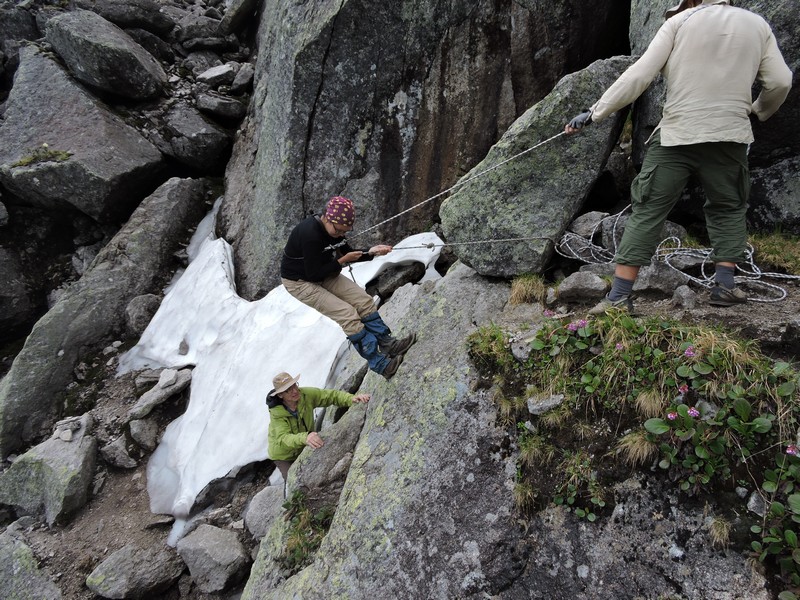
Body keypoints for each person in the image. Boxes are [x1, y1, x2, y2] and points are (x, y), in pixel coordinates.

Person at [565, 0, 792, 313]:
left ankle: (618, 297)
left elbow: (639, 75)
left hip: (677, 136)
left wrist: (594, 113)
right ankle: (724, 286)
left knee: (648, 209)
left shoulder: (680, 22)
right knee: (728, 207)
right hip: (729, 135)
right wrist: (759, 111)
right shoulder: (756, 25)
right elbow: (781, 81)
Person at [280, 195, 416, 378]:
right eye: (339, 231)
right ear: (328, 219)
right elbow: (313, 274)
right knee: (348, 315)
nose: (341, 235)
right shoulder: (310, 234)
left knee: (363, 301)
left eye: (345, 232)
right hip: (300, 282)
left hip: (324, 271)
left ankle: (388, 344)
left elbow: (348, 252)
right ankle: (380, 364)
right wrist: (342, 261)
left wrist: (372, 252)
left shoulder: (333, 230)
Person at [266, 371, 370, 480]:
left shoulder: (305, 395)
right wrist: (305, 437)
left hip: (305, 444)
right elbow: (284, 438)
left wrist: (351, 398)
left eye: (294, 385)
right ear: (280, 395)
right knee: (292, 482)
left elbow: (330, 396)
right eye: (288, 390)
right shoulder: (277, 414)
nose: (294, 391)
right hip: (284, 456)